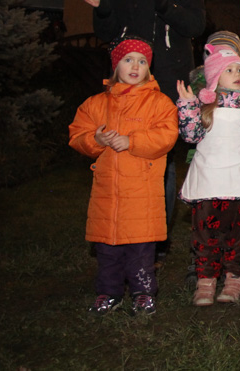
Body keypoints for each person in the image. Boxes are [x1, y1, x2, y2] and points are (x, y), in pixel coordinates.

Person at [74, 0, 205, 259]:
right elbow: (108, 31)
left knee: (161, 155)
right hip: (128, 83)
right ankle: (114, 232)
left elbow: (195, 25)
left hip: (168, 80)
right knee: (119, 151)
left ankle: (153, 241)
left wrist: (166, 5)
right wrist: (102, 6)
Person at [68, 37, 178, 315]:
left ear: (148, 70)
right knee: (107, 249)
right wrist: (96, 138)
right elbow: (77, 133)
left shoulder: (159, 103)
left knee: (140, 250)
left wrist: (132, 141)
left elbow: (166, 135)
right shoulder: (96, 104)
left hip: (142, 194)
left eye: (142, 61)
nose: (135, 66)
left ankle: (143, 292)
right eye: (128, 59)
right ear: (116, 65)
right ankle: (108, 291)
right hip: (108, 193)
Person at [176, 45, 240, 306]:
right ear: (214, 77)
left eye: (239, 70)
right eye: (229, 70)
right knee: (206, 235)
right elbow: (190, 136)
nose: (236, 74)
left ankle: (235, 279)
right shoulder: (203, 106)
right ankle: (206, 279)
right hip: (208, 183)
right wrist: (187, 106)